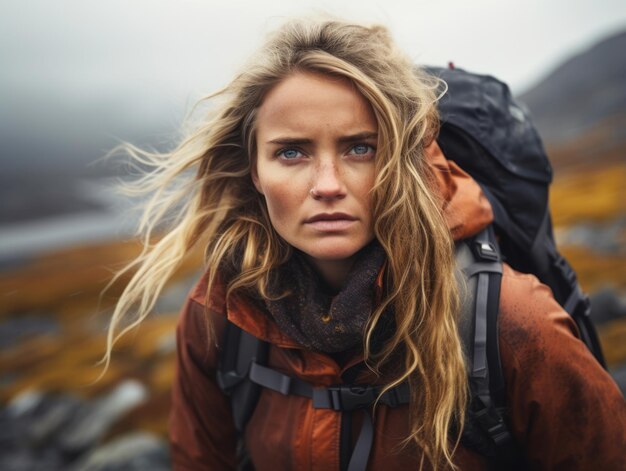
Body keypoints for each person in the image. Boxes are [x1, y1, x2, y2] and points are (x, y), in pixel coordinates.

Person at [106, 17, 626, 471]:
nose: (328, 183)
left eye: (360, 148)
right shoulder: (218, 315)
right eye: (291, 153)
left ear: (403, 161)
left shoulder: (511, 322)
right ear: (254, 172)